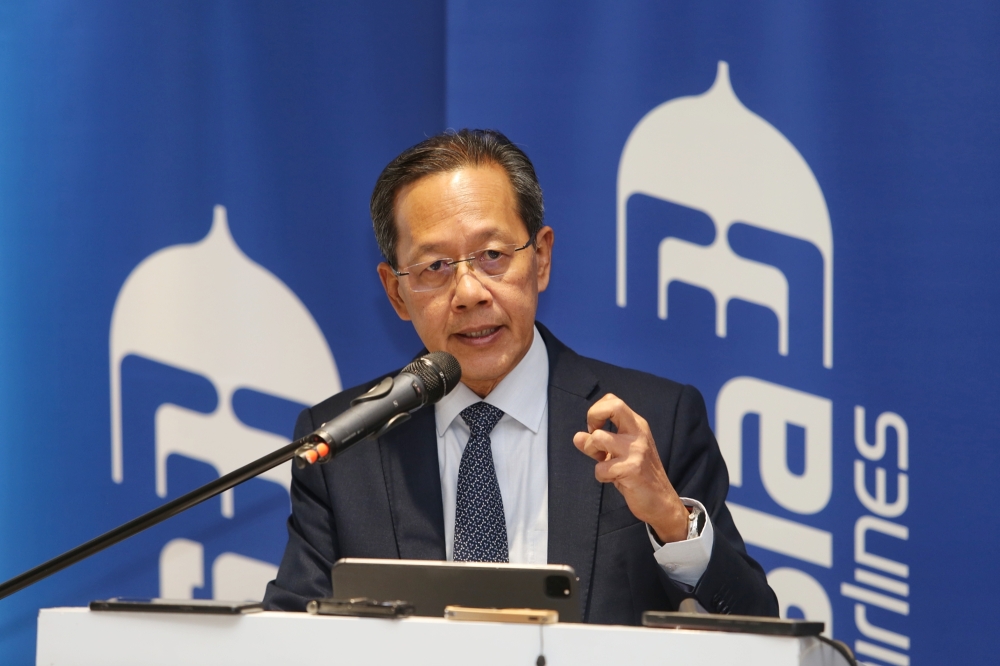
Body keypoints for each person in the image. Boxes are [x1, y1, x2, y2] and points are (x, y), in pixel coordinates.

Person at [263, 129, 778, 623]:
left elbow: (755, 627)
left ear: (542, 257)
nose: (468, 292)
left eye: (492, 256)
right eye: (435, 266)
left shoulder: (655, 425)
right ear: (396, 293)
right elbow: (288, 634)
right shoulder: (342, 446)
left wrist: (670, 521)